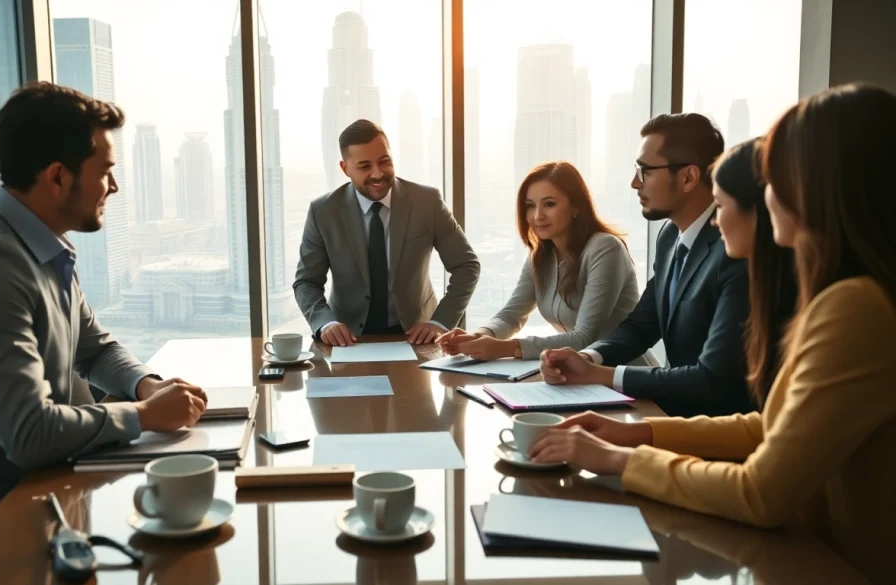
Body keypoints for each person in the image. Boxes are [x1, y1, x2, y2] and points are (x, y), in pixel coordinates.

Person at [525, 84, 896, 584]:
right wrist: (636, 433)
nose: (764, 192)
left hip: (838, 564)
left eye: (776, 177)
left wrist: (619, 459)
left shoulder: (855, 308)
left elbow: (761, 492)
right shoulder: (846, 297)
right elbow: (769, 427)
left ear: (820, 187)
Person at [0, 82, 208, 584]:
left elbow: (94, 348)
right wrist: (143, 416)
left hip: (31, 499)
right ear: (57, 177)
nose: (114, 187)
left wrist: (147, 385)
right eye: (105, 171)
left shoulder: (40, 249)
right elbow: (30, 434)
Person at [540, 113, 753, 417]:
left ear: (688, 178)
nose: (634, 182)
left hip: (719, 428)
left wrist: (601, 375)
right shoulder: (669, 236)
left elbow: (712, 380)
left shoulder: (736, 249)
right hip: (671, 415)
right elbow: (642, 325)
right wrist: (587, 358)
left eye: (645, 171)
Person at [293, 119, 480, 346]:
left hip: (418, 336)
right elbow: (306, 282)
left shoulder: (427, 202)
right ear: (345, 168)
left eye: (384, 161)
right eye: (364, 166)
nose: (378, 174)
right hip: (347, 339)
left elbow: (466, 266)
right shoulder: (323, 211)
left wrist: (440, 322)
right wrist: (325, 323)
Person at [437, 161, 646, 362]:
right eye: (530, 206)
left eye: (549, 204)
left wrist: (504, 348)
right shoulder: (540, 256)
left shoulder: (605, 248)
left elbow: (584, 338)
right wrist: (478, 336)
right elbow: (511, 316)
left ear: (576, 206)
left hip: (621, 374)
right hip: (575, 373)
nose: (537, 216)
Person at [708, 137, 797, 406]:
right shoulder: (771, 286)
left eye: (719, 206)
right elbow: (770, 421)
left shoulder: (838, 304)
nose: (714, 221)